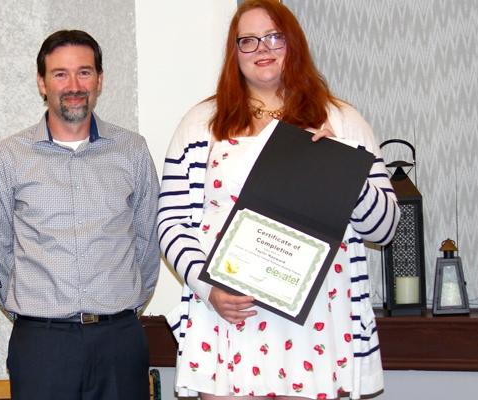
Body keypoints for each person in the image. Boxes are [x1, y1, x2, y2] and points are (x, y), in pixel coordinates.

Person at [157, 1, 400, 399]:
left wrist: (341, 166)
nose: (262, 49)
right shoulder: (201, 123)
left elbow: (385, 229)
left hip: (314, 324)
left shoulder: (342, 120)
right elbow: (171, 222)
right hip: (228, 314)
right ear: (234, 52)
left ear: (294, 44)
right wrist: (206, 286)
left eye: (274, 37)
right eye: (248, 40)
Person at [0, 30, 160, 399]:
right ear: (42, 83)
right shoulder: (7, 157)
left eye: (84, 72)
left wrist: (120, 307)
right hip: (42, 345)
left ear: (100, 80)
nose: (74, 85)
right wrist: (37, 312)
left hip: (119, 342)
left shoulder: (132, 151)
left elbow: (148, 241)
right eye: (60, 74)